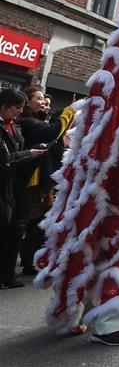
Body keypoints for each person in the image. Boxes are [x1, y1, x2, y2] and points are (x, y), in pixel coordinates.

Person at [16, 87, 73, 276]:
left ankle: (30, 261)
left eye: (45, 100)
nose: (43, 103)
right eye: (39, 99)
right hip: (30, 181)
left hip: (40, 181)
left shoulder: (36, 122)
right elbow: (52, 132)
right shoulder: (29, 123)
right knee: (25, 224)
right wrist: (69, 110)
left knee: (35, 224)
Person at [0, 89, 47, 289]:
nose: (20, 111)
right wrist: (30, 153)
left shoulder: (13, 126)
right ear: (4, 106)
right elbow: (6, 160)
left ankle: (5, 276)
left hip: (9, 186)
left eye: (21, 107)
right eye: (16, 107)